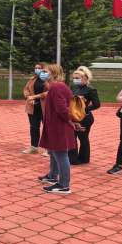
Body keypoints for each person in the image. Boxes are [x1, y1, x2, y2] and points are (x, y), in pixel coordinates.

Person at [37, 64, 81, 194]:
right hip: (56, 126)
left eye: (45, 71)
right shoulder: (57, 86)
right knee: (53, 152)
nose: (41, 73)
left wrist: (70, 121)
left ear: (53, 73)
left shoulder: (56, 87)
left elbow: (62, 109)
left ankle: (63, 185)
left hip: (59, 127)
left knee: (61, 154)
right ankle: (53, 176)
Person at [68, 66, 100, 165]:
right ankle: (73, 159)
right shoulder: (73, 87)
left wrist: (84, 108)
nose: (75, 80)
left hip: (85, 117)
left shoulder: (91, 89)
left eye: (78, 78)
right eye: (74, 78)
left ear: (85, 78)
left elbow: (97, 104)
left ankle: (84, 158)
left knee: (83, 137)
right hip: (73, 116)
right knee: (72, 137)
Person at [23, 63, 48, 155]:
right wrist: (29, 97)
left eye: (39, 68)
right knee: (33, 127)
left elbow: (49, 92)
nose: (37, 69)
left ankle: (48, 149)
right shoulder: (32, 79)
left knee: (47, 128)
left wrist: (35, 97)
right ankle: (34, 147)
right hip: (32, 107)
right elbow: (26, 89)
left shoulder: (48, 80)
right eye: (36, 68)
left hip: (45, 107)